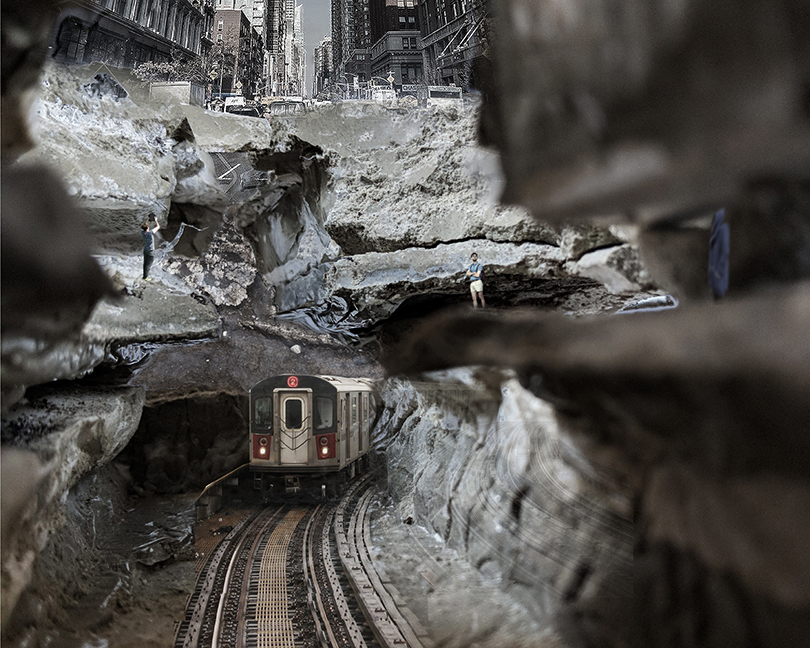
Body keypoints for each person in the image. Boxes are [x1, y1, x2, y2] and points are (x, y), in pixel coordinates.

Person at [141, 213, 160, 281]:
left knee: (145, 264)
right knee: (148, 265)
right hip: (150, 251)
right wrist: (156, 220)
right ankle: (145, 277)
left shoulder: (142, 233)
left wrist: (147, 221)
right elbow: (158, 227)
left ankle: (144, 276)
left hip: (146, 250)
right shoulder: (150, 233)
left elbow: (145, 227)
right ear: (148, 227)